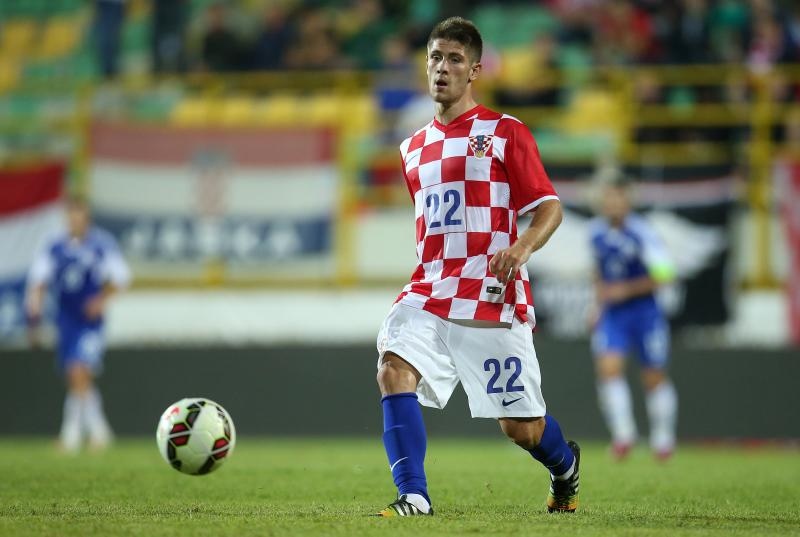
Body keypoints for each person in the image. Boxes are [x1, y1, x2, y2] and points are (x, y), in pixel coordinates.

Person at [374, 17, 579, 517]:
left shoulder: (504, 132)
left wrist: (523, 247)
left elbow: (549, 206)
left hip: (492, 291)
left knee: (521, 428)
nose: (442, 68)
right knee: (393, 369)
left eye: (454, 60)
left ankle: (565, 468)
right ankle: (415, 496)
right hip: (430, 289)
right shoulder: (411, 148)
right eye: (435, 58)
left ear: (475, 71)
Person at [26, 197, 130, 453]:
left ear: (87, 219)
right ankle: (99, 430)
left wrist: (101, 298)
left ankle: (72, 434)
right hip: (65, 320)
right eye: (71, 216)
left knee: (78, 370)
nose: (75, 221)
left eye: (79, 216)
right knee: (76, 377)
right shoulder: (54, 247)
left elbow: (121, 277)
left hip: (90, 322)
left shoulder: (101, 245)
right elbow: (38, 282)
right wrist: (34, 316)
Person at [588, 177, 678, 461]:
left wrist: (626, 289)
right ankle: (623, 436)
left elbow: (665, 274)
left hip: (645, 312)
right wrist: (597, 305)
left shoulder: (643, 233)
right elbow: (599, 272)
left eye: (619, 198)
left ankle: (663, 438)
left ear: (628, 202)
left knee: (653, 376)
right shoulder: (595, 233)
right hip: (614, 314)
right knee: (609, 368)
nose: (613, 204)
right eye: (609, 199)